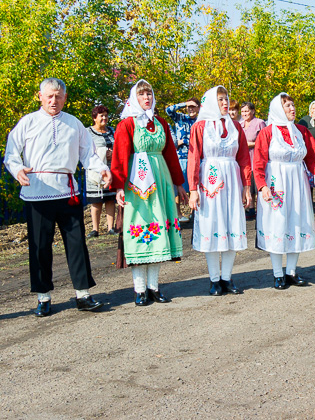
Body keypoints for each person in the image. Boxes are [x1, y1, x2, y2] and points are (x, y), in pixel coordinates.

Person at [4, 78, 109, 317]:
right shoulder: (28, 122)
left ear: (65, 97)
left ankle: (83, 294)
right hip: (37, 192)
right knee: (40, 246)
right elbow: (11, 153)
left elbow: (89, 156)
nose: (54, 101)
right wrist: (18, 169)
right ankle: (43, 297)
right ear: (39, 96)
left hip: (67, 191)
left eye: (58, 96)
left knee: (76, 244)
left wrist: (101, 169)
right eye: (49, 96)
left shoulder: (74, 124)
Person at [111, 80, 188, 306]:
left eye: (149, 93)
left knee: (160, 230)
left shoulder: (162, 123)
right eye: (142, 94)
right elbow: (120, 156)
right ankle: (139, 290)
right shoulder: (127, 124)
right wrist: (118, 186)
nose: (147, 97)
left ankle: (154, 287)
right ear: (134, 98)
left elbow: (171, 155)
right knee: (141, 228)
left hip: (161, 181)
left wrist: (179, 184)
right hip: (137, 185)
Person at [253, 93, 315, 289]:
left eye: (293, 105)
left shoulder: (301, 131)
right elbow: (258, 162)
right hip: (276, 183)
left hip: (297, 182)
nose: (292, 108)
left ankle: (291, 271)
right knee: (277, 224)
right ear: (277, 110)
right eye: (287, 106)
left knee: (295, 224)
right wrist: (262, 186)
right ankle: (277, 273)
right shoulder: (267, 132)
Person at [187, 86, 252, 296]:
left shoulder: (235, 127)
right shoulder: (200, 126)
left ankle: (227, 277)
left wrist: (247, 186)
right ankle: (214, 279)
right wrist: (193, 189)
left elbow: (243, 157)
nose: (225, 103)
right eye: (220, 99)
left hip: (232, 182)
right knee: (212, 226)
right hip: (209, 182)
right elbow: (194, 159)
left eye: (226, 99)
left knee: (232, 225)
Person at [86, 105, 117, 238]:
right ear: (94, 118)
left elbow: (119, 145)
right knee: (96, 200)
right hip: (95, 171)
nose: (104, 118)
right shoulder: (88, 132)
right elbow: (86, 150)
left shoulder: (112, 131)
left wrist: (113, 153)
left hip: (111, 169)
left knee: (110, 199)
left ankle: (111, 227)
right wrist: (102, 153)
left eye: (105, 115)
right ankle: (95, 229)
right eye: (101, 116)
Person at [165, 97, 199, 193]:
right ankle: (177, 208)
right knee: (178, 188)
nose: (191, 109)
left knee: (195, 187)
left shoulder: (200, 121)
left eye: (193, 106)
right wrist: (185, 103)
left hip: (195, 158)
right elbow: (168, 110)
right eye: (189, 107)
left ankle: (194, 208)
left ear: (198, 108)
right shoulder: (180, 117)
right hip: (181, 157)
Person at [240, 101, 266, 218]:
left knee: (257, 184)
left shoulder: (259, 123)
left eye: (247, 111)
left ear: (253, 111)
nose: (245, 113)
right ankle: (250, 208)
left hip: (256, 158)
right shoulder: (239, 125)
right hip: (244, 160)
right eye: (243, 111)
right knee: (247, 183)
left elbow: (264, 142)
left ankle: (260, 208)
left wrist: (249, 144)